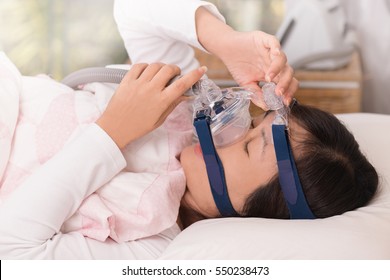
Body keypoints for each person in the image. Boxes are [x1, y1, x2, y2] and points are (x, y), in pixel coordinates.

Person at [0, 0, 377, 260]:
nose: (230, 127)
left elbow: (12, 249)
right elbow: (134, 9)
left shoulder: (149, 243)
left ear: (252, 214)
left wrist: (112, 133)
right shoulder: (177, 109)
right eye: (255, 122)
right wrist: (225, 42)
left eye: (247, 147)